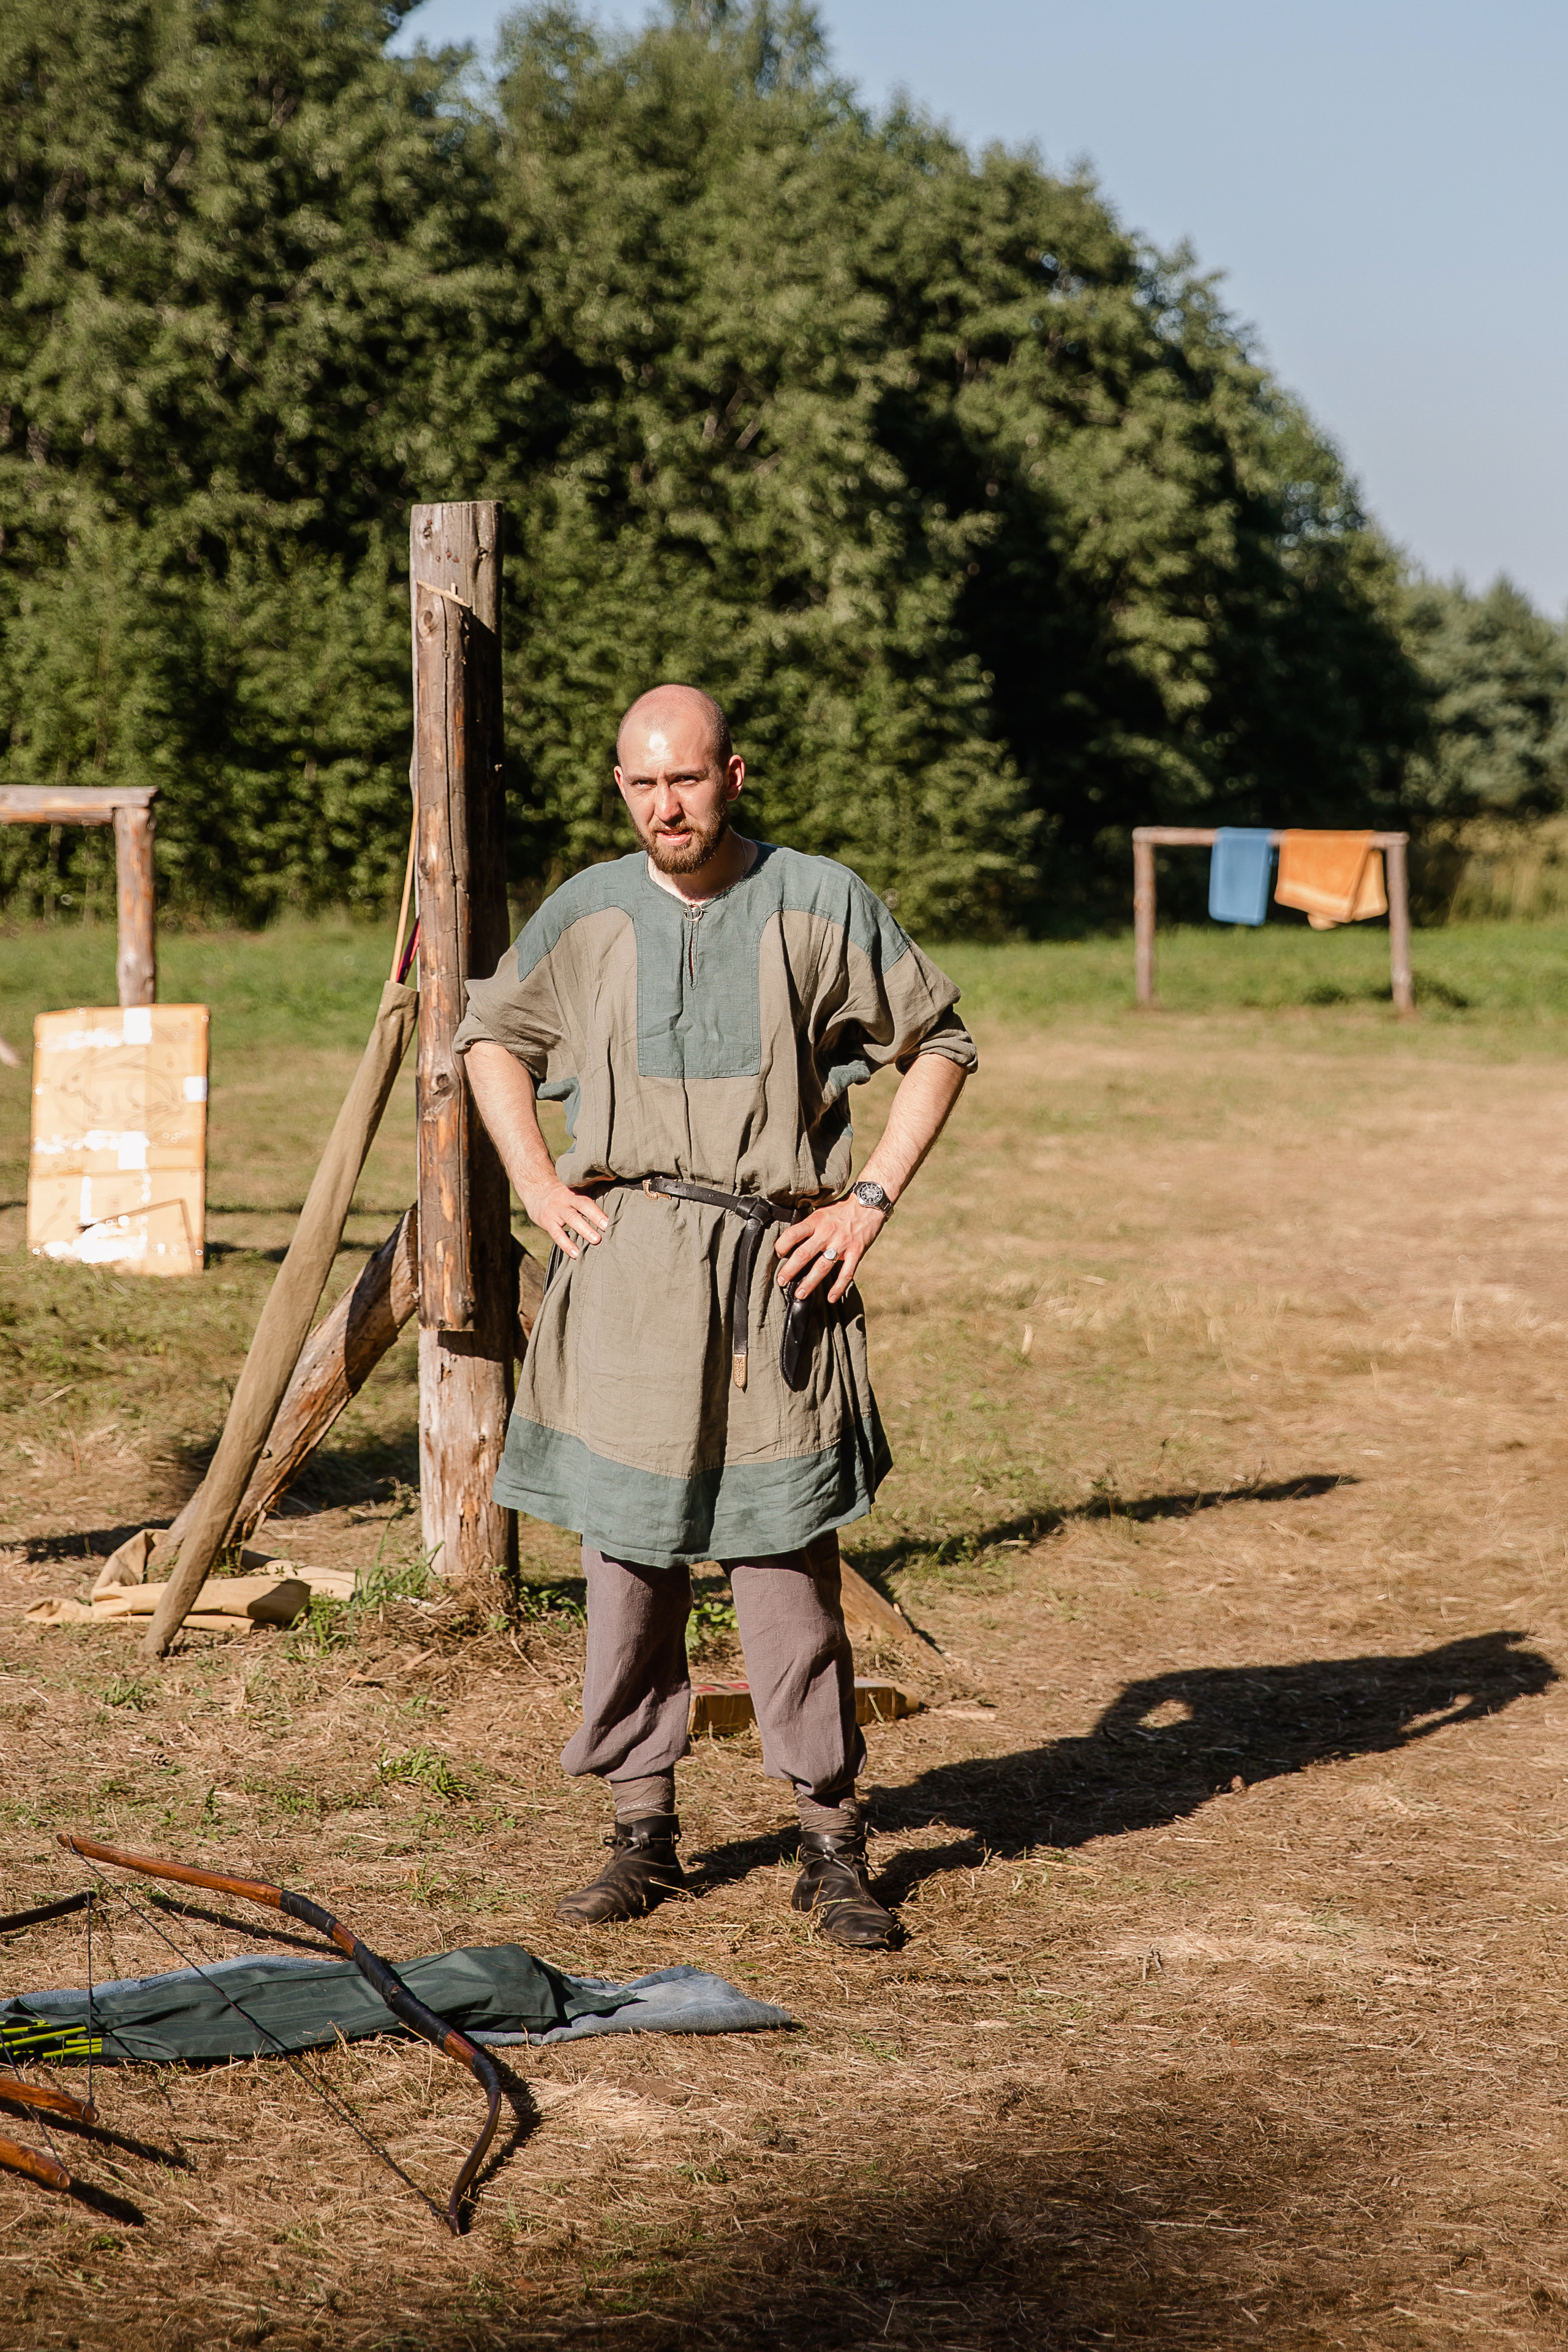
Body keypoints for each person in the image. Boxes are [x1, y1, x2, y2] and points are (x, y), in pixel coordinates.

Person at [456, 684, 976, 1949]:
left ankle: (828, 1837)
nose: (662, 807)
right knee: (628, 1558)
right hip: (628, 1260)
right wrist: (534, 1180)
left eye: (683, 780)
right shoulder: (586, 912)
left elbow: (941, 1043)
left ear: (732, 774)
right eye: (640, 784)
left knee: (780, 1556)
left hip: (772, 1264)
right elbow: (487, 1037)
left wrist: (865, 1202)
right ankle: (641, 1830)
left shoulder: (817, 899)